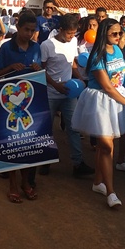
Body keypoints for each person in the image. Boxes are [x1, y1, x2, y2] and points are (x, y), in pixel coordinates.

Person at [71, 18, 125, 208]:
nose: (118, 37)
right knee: (107, 146)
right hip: (101, 101)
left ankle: (97, 183)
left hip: (116, 99)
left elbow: (119, 76)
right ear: (103, 35)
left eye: (120, 33)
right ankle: (111, 192)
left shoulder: (116, 49)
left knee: (104, 146)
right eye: (114, 34)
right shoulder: (97, 56)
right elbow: (107, 87)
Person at [0, 11, 42, 204]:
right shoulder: (6, 48)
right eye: (26, 29)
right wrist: (11, 68)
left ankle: (26, 182)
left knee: (28, 144)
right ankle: (12, 184)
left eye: (32, 30)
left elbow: (40, 74)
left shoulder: (36, 48)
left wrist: (38, 70)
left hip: (30, 101)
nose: (29, 34)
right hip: (7, 103)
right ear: (17, 28)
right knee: (13, 144)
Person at [40, 14, 94, 177]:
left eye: (73, 33)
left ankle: (78, 164)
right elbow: (41, 70)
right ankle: (45, 161)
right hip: (50, 94)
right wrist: (55, 85)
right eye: (69, 33)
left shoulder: (73, 43)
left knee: (74, 128)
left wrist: (80, 78)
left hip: (69, 94)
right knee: (46, 129)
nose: (71, 37)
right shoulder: (46, 45)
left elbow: (72, 64)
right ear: (60, 30)